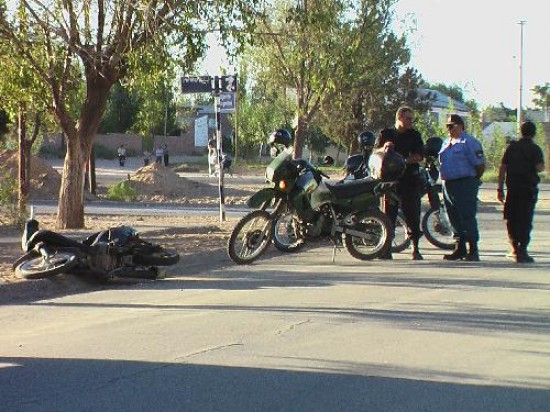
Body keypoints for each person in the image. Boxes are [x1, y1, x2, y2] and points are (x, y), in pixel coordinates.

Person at [375, 106, 425, 260]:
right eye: (408, 118)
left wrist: (403, 161)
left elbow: (419, 155)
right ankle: (386, 248)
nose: (411, 121)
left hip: (409, 179)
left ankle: (415, 248)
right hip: (390, 181)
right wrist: (384, 149)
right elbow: (375, 153)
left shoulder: (415, 135)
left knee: (412, 213)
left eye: (412, 119)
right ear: (399, 118)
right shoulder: (386, 134)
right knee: (388, 215)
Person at [439, 114, 485, 261]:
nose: (449, 129)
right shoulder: (447, 142)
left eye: (451, 126)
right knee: (452, 215)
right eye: (447, 126)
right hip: (448, 183)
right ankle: (460, 247)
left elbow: (480, 165)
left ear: (460, 126)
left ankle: (473, 249)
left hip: (465, 183)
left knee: (466, 215)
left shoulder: (469, 142)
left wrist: (473, 179)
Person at [497, 121, 545, 263]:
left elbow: (502, 168)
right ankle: (523, 249)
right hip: (528, 189)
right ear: (534, 133)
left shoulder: (511, 148)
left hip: (512, 188)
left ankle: (514, 246)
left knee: (511, 218)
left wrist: (500, 188)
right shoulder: (535, 149)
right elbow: (539, 167)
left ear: (521, 131)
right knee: (525, 219)